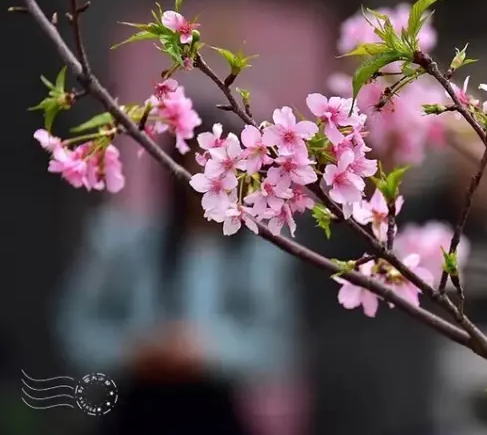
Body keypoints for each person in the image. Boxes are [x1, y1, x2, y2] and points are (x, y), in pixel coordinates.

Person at [55, 110, 304, 435]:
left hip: (214, 411)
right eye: (200, 162)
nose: (212, 178)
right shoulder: (123, 242)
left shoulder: (257, 256)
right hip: (135, 407)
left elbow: (277, 348)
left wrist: (207, 350)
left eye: (228, 167)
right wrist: (134, 350)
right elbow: (76, 328)